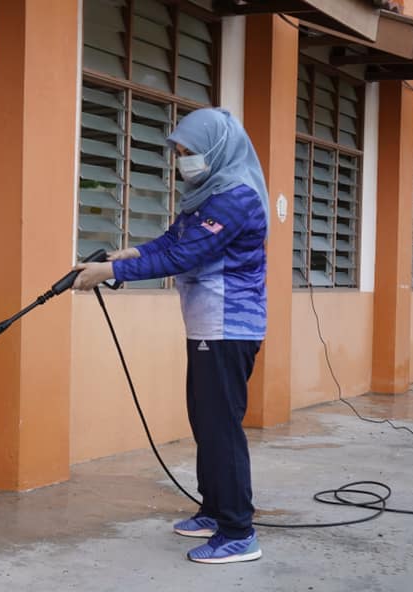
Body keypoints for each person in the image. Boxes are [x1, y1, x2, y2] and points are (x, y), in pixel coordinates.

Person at [72, 108, 268, 564]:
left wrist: (112, 271)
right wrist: (133, 252)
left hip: (228, 328)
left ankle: (240, 530)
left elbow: (187, 255)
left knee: (221, 427)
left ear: (217, 151)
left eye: (189, 152)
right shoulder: (208, 193)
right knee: (205, 420)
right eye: (179, 152)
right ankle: (216, 510)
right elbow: (173, 240)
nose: (183, 160)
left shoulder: (235, 198)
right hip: (206, 324)